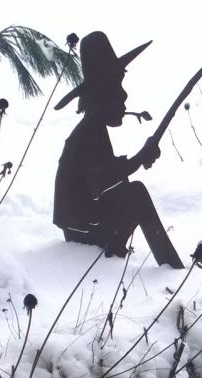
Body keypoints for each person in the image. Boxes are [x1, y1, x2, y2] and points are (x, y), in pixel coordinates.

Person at [53, 32, 184, 268]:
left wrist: (138, 158)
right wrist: (139, 158)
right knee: (136, 195)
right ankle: (168, 266)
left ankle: (160, 262)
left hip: (84, 222)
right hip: (82, 232)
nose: (124, 95)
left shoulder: (93, 130)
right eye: (117, 86)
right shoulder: (87, 133)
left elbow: (107, 171)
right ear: (102, 93)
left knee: (132, 192)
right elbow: (103, 179)